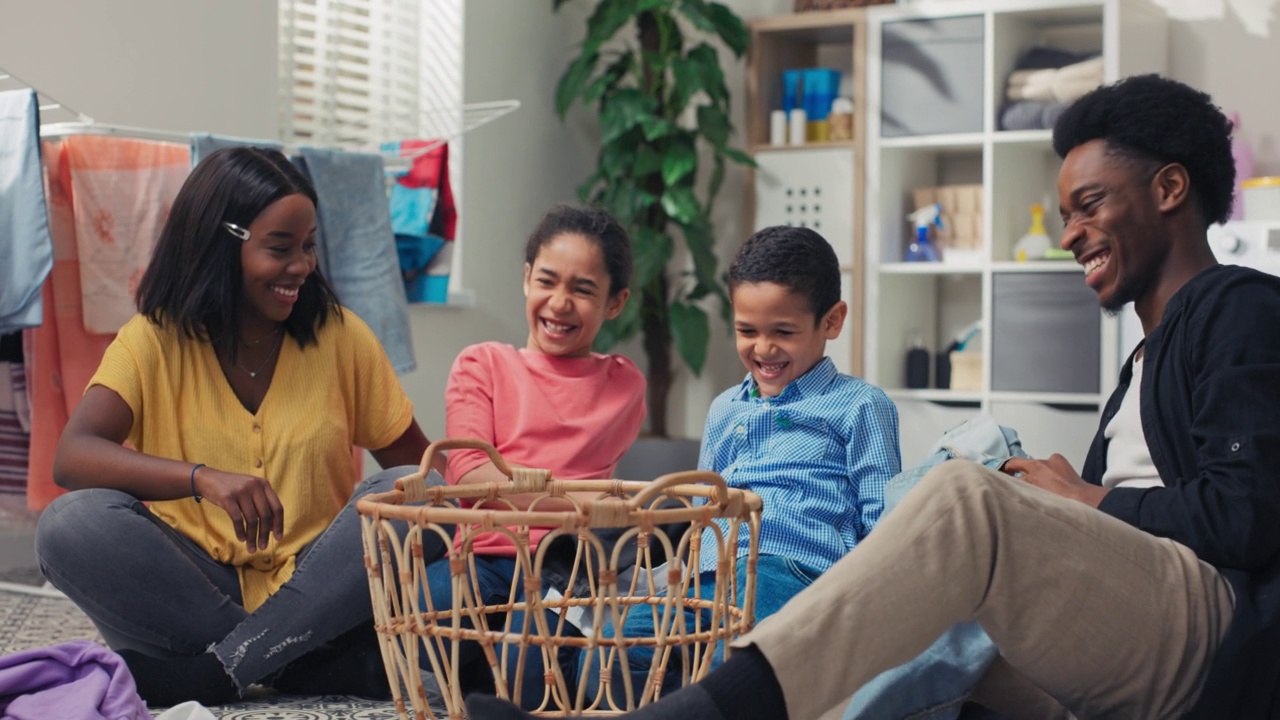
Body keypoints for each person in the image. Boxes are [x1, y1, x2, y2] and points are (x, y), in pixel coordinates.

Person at [463, 74, 1280, 720]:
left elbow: (1249, 515)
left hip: (1201, 630)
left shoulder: (1236, 305)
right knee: (969, 488)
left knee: (962, 495)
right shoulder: (1146, 358)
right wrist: (1054, 497)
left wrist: (1088, 498)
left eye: (1090, 205)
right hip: (1121, 628)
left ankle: (705, 709)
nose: (1068, 234)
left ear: (1171, 189)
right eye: (1065, 212)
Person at [34, 146, 449, 707]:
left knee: (410, 489)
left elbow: (429, 477)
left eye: (308, 247)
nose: (302, 266)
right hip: (191, 595)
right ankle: (301, 664)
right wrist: (202, 478)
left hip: (316, 591)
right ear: (219, 243)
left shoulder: (342, 337)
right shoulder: (152, 340)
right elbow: (74, 456)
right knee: (69, 523)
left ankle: (217, 673)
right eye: (281, 249)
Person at [589, 224, 900, 705]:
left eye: (784, 332)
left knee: (726, 667)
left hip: (794, 574)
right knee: (608, 657)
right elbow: (700, 514)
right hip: (703, 578)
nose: (763, 349)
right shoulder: (724, 409)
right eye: (746, 330)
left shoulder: (860, 406)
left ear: (832, 322)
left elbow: (882, 523)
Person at [423, 204, 647, 708]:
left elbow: (501, 486)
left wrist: (525, 494)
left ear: (615, 303)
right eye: (547, 280)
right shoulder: (481, 364)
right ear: (526, 279)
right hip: (479, 559)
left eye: (583, 289)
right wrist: (575, 505)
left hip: (563, 567)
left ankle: (498, 686)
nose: (560, 303)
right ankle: (482, 682)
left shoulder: (623, 383)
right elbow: (474, 479)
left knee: (530, 669)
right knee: (419, 612)